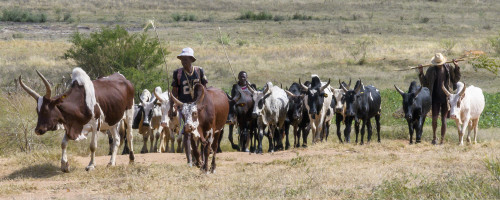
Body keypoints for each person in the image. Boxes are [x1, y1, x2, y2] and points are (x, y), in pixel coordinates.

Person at [170, 47, 208, 166]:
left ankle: (201, 157)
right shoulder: (178, 73)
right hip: (184, 107)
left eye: (186, 59)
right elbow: (175, 91)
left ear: (191, 60)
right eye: (182, 59)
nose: (183, 62)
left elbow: (204, 88)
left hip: (197, 106)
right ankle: (189, 160)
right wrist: (173, 106)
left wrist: (203, 104)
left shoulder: (199, 71)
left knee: (201, 131)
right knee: (186, 132)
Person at [418, 53, 461, 145]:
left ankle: (442, 140)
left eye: (440, 63)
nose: (439, 65)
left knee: (444, 119)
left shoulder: (448, 68)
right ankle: (434, 138)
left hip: (446, 98)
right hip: (434, 98)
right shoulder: (430, 70)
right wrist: (421, 72)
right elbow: (425, 83)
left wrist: (456, 67)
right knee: (434, 119)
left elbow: (455, 79)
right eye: (437, 64)